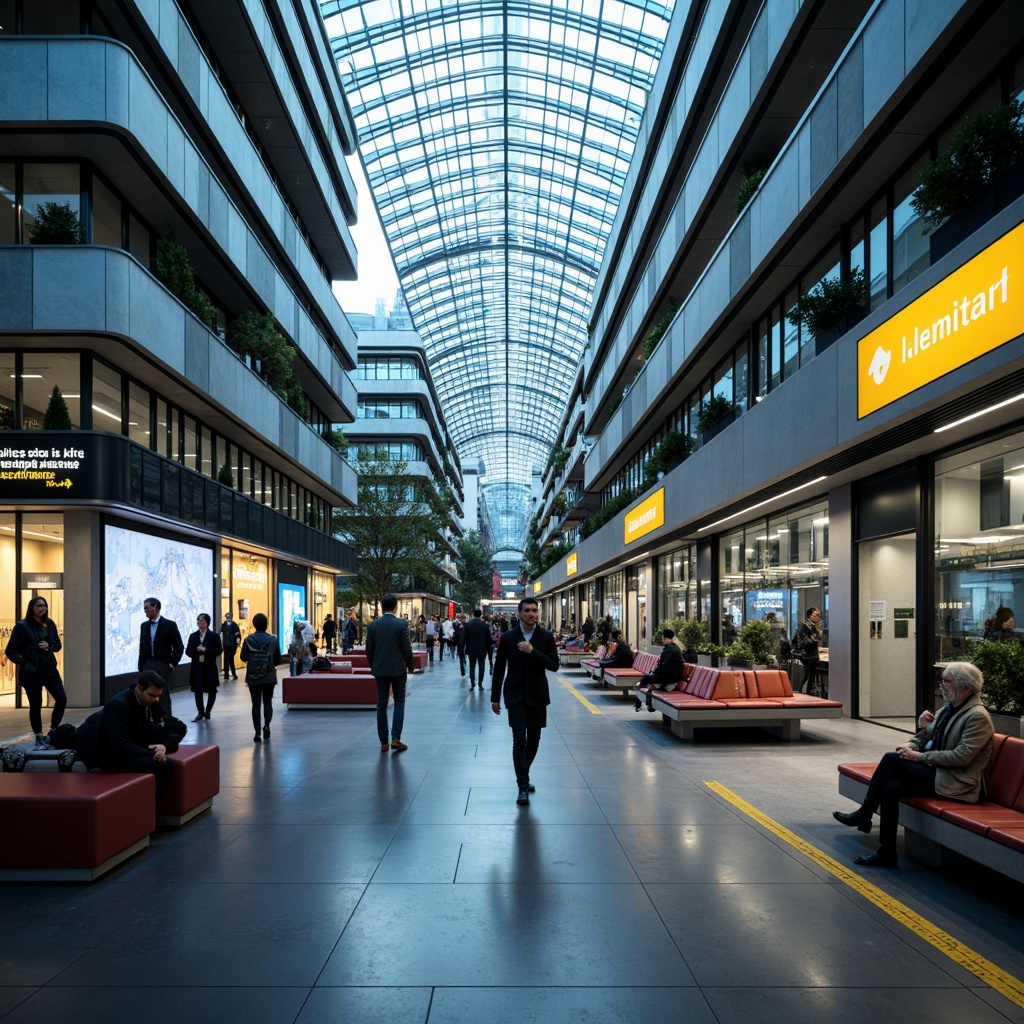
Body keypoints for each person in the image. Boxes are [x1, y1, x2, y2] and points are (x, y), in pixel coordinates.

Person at [833, 661, 994, 867]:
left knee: (891, 759)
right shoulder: (949, 709)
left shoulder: (977, 717)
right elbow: (925, 735)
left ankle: (865, 813)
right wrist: (910, 745)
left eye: (947, 681)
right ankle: (887, 851)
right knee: (891, 788)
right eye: (941, 680)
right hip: (938, 773)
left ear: (966, 687)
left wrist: (919, 757)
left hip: (959, 783)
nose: (941, 685)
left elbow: (962, 757)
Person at [491, 597, 560, 806]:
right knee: (519, 738)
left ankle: (524, 774)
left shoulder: (546, 636)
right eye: (527, 610)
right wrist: (495, 698)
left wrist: (532, 651)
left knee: (535, 740)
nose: (532, 614)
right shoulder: (509, 637)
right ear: (519, 613)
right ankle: (522, 786)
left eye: (534, 610)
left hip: (537, 695)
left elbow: (554, 665)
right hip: (515, 695)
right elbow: (500, 668)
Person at [96, 671, 176, 804]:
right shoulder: (118, 706)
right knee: (165, 765)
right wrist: (153, 753)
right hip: (113, 759)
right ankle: (151, 809)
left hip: (131, 749)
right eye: (152, 695)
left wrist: (162, 746)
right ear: (139, 688)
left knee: (169, 752)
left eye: (158, 696)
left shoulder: (147, 702)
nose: (156, 699)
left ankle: (150, 808)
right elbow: (119, 747)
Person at [5, 596, 67, 748]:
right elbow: (10, 651)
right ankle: (39, 735)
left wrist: (49, 646)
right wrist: (27, 664)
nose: (42, 608)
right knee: (36, 704)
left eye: (44, 606)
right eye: (39, 605)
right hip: (31, 672)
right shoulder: (22, 626)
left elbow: (58, 645)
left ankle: (53, 730)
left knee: (62, 698)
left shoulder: (50, 624)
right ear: (32, 607)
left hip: (50, 669)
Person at [365, 593, 415, 752]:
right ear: (396, 607)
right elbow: (406, 648)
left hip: (380, 669)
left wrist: (374, 665)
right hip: (398, 669)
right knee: (399, 701)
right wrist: (410, 665)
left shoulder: (373, 625)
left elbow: (369, 650)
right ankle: (395, 738)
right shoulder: (401, 624)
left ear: (381, 607)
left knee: (381, 704)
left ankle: (383, 742)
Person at [138, 596, 184, 714]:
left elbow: (179, 647)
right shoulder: (144, 626)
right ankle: (149, 724)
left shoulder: (169, 625)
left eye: (147, 608)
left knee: (162, 696)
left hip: (162, 665)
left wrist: (172, 663)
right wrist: (141, 666)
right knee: (146, 695)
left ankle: (166, 723)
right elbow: (142, 647)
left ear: (155, 608)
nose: (145, 611)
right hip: (148, 664)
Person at [240, 612, 280, 742]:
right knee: (267, 702)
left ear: (254, 625)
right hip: (269, 675)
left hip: (253, 676)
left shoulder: (248, 639)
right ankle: (267, 726)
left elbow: (243, 657)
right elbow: (277, 659)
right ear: (266, 625)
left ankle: (257, 732)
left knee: (255, 704)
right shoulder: (273, 639)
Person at [635, 627, 685, 712]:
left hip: (670, 676)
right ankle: (645, 703)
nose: (663, 639)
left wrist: (654, 672)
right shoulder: (672, 648)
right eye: (663, 638)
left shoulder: (670, 650)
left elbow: (664, 667)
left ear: (669, 639)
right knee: (648, 678)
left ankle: (644, 702)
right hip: (670, 675)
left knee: (647, 677)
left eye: (664, 638)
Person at [186, 613, 222, 722]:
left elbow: (219, 650)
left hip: (209, 667)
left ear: (207, 623)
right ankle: (200, 711)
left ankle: (208, 710)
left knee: (212, 690)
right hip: (197, 667)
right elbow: (188, 651)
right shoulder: (193, 636)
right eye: (198, 622)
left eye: (202, 622)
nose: (200, 624)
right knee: (198, 690)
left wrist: (206, 650)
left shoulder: (214, 636)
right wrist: (197, 651)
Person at [792, 607, 822, 694]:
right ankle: (802, 693)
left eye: (818, 616)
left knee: (812, 676)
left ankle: (808, 693)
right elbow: (806, 641)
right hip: (806, 655)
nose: (817, 617)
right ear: (809, 615)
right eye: (815, 615)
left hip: (813, 655)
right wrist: (814, 640)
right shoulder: (804, 626)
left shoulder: (815, 626)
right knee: (806, 676)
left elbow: (818, 638)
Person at [463, 608, 491, 689]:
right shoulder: (485, 625)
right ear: (480, 615)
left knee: (472, 667)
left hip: (471, 649)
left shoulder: (468, 625)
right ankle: (480, 683)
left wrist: (463, 649)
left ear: (473, 614)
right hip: (482, 649)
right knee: (481, 667)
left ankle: (472, 683)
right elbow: (488, 639)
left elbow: (465, 638)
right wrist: (489, 652)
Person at [220, 611, 241, 680]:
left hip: (232, 645)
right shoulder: (224, 625)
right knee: (226, 659)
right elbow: (221, 634)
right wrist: (221, 643)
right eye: (227, 617)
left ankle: (233, 673)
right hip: (226, 645)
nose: (228, 619)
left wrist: (238, 642)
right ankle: (227, 674)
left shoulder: (234, 625)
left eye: (229, 617)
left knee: (230, 658)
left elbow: (238, 634)